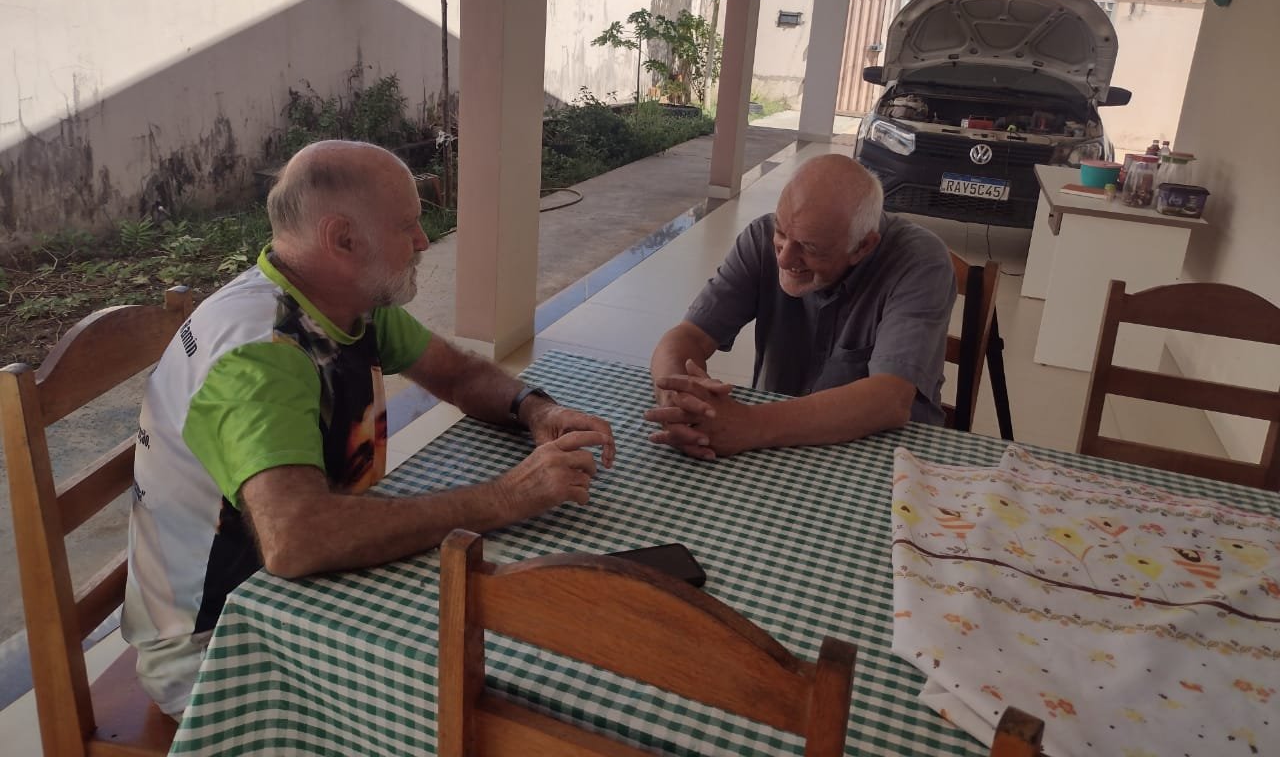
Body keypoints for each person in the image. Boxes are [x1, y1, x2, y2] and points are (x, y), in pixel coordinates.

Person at [123, 140, 615, 718]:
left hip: (307, 596)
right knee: (526, 699)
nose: (424, 241)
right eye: (408, 226)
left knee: (527, 625)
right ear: (343, 239)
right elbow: (297, 541)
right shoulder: (259, 357)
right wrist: (508, 496)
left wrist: (535, 409)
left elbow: (456, 373)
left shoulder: (341, 299)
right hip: (221, 648)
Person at [647, 154, 955, 461]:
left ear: (863, 246)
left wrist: (749, 423)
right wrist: (677, 398)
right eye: (781, 232)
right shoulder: (760, 238)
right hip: (776, 444)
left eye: (809, 247)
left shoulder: (920, 261)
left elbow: (890, 398)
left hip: (888, 456)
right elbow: (689, 336)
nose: (783, 259)